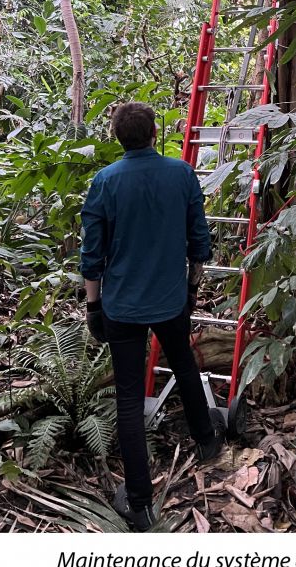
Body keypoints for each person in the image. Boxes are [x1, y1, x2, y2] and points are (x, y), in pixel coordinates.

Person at [80, 101, 225, 532]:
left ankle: (139, 502)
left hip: (121, 305)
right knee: (182, 361)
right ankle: (207, 440)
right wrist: (193, 287)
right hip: (170, 299)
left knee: (128, 396)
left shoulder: (105, 182)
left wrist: (93, 306)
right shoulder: (180, 173)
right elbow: (199, 238)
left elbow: (93, 256)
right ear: (154, 133)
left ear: (117, 136)